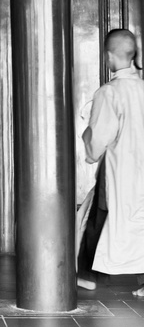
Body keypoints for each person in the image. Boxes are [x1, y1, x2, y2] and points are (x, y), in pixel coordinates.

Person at [78, 29, 144, 296]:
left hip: (120, 169)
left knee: (99, 215)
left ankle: (86, 274)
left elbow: (99, 137)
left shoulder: (110, 92)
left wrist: (89, 145)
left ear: (108, 56)